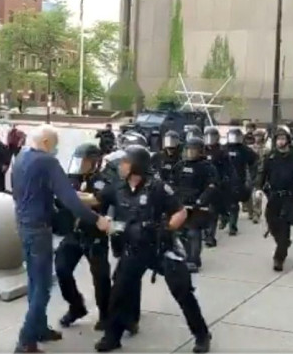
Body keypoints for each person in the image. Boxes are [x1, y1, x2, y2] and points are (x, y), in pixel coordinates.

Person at [95, 145, 211, 353]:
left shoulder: (156, 187)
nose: (121, 166)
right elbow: (96, 200)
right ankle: (113, 336)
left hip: (159, 248)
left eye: (125, 162)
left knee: (182, 290)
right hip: (134, 250)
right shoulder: (117, 187)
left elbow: (181, 212)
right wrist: (69, 196)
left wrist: (168, 228)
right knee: (119, 292)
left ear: (136, 166)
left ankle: (202, 334)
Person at [11, 124, 109, 353]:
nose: (56, 150)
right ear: (46, 143)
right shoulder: (48, 162)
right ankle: (26, 341)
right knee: (42, 287)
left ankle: (40, 328)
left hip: (23, 225)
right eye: (55, 145)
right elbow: (70, 200)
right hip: (39, 229)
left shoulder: (21, 157)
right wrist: (97, 220)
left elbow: (22, 192)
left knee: (34, 281)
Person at [55, 143, 111, 331]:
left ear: (95, 162)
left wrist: (73, 196)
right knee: (62, 268)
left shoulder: (103, 180)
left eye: (85, 161)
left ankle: (105, 314)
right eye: (79, 160)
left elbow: (98, 199)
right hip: (74, 233)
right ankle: (76, 306)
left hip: (94, 234)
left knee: (101, 277)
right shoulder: (71, 178)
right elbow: (61, 198)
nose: (81, 164)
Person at [255, 126, 293, 272]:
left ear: (288, 140)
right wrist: (258, 188)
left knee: (285, 227)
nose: (280, 142)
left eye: (283, 138)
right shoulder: (270, 157)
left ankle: (279, 258)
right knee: (273, 225)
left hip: (291, 197)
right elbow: (262, 174)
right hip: (274, 196)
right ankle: (284, 242)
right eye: (277, 139)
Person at [174, 137, 218, 272]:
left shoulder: (207, 167)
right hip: (181, 205)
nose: (190, 153)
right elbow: (172, 183)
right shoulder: (180, 166)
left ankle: (194, 259)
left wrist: (201, 201)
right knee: (181, 232)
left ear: (200, 151)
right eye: (188, 150)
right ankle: (188, 256)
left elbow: (212, 186)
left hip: (198, 206)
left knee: (194, 232)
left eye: (193, 150)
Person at [203, 126, 235, 246]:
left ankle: (210, 236)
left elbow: (229, 169)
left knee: (213, 211)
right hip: (203, 185)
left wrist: (226, 180)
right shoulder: (201, 150)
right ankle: (206, 234)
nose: (210, 139)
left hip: (218, 184)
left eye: (212, 137)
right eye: (208, 137)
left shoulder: (222, 152)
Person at [224, 128, 258, 236]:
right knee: (220, 202)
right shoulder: (224, 148)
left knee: (234, 204)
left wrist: (251, 177)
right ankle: (223, 218)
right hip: (223, 180)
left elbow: (254, 161)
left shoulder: (244, 150)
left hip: (238, 180)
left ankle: (232, 227)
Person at [248, 129, 270, 224]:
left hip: (261, 172)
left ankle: (256, 213)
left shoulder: (266, 149)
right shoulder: (250, 148)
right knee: (248, 193)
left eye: (259, 136)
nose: (257, 138)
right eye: (256, 136)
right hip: (250, 172)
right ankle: (250, 211)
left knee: (258, 193)